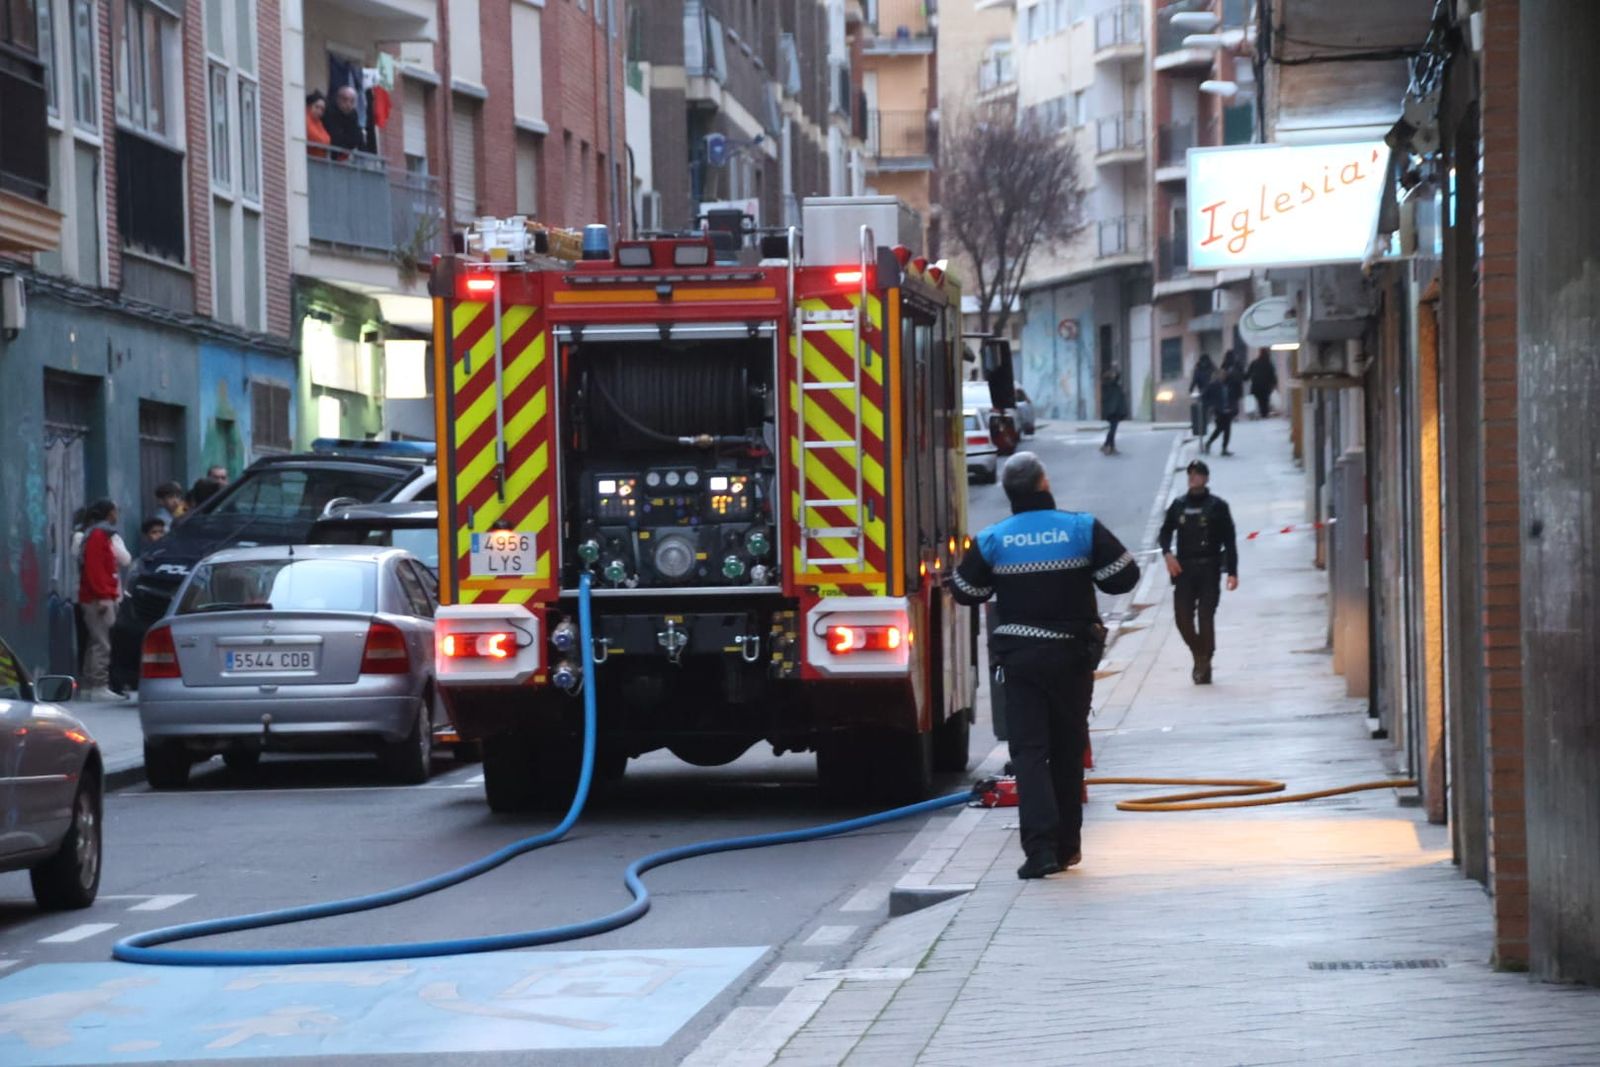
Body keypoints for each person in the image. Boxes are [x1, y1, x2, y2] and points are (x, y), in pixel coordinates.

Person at [950, 452, 1140, 879]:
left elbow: (965, 591)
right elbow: (1124, 578)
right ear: (1044, 483)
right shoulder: (1081, 528)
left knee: (1030, 753)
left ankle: (1040, 853)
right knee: (1068, 750)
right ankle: (1069, 847)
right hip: (1072, 658)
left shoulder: (994, 539)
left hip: (1020, 664)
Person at [1159, 460, 1238, 685]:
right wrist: (1167, 553)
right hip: (1183, 569)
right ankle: (1199, 653)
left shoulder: (1218, 506)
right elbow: (1164, 533)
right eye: (1190, 474)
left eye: (1198, 474)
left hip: (1209, 568)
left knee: (1205, 616)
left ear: (1206, 478)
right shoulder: (1178, 505)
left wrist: (1232, 571)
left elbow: (1230, 541)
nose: (1193, 478)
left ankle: (1205, 661)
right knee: (1182, 618)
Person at [77, 499, 132, 701]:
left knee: (96, 640)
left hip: (96, 596)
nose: (117, 515)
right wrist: (103, 596)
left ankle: (90, 685)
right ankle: (99, 685)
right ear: (109, 514)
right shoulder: (99, 535)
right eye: (115, 511)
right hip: (98, 598)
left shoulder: (96, 534)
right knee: (103, 642)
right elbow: (95, 569)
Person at [1203, 356, 1243, 455]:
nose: (1223, 377)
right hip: (1219, 410)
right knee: (1220, 428)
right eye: (1222, 375)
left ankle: (1223, 448)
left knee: (1227, 430)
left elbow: (1233, 396)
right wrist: (1211, 405)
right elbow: (1205, 396)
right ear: (1218, 376)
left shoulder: (1228, 385)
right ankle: (1209, 443)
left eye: (1224, 375)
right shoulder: (1213, 386)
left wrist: (1233, 408)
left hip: (1228, 410)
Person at [323, 85, 366, 158]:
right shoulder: (329, 111)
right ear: (338, 99)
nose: (348, 104)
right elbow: (334, 138)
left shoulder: (353, 115)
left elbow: (357, 137)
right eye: (345, 100)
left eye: (352, 101)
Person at [1100, 367, 1128, 455]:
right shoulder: (1108, 385)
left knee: (1113, 429)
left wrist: (1115, 370)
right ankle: (1107, 446)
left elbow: (1118, 376)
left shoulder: (1113, 385)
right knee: (1112, 429)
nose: (1114, 375)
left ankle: (1110, 446)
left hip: (1115, 410)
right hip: (1113, 411)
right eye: (1112, 375)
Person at [1189, 352, 1216, 439]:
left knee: (1211, 408)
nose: (1204, 363)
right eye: (1202, 362)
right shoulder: (1198, 370)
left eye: (1205, 362)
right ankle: (1204, 424)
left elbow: (1216, 378)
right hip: (1203, 393)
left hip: (1212, 392)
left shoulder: (1212, 368)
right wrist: (1191, 389)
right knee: (1202, 410)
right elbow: (1194, 380)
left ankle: (1209, 421)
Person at [1247, 349, 1278, 419]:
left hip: (1256, 387)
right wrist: (1275, 384)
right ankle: (1264, 415)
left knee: (1257, 401)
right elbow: (1273, 375)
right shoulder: (1269, 364)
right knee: (1264, 403)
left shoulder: (1255, 362)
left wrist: (1245, 377)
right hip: (1265, 388)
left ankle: (1256, 414)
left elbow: (1248, 374)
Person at [305, 90, 332, 159]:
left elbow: (327, 139)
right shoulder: (305, 118)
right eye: (317, 107)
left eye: (322, 109)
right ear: (309, 106)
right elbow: (314, 137)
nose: (319, 111)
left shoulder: (318, 122)